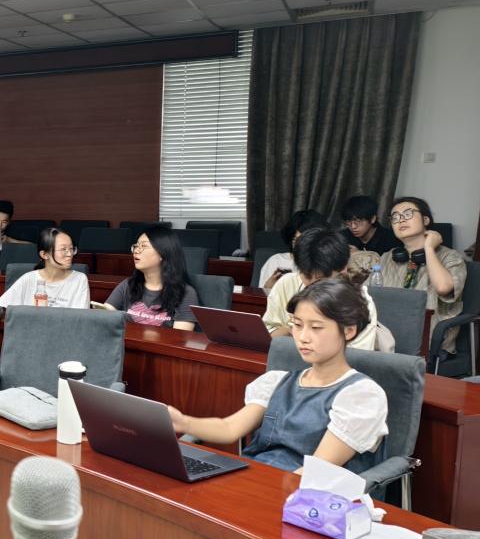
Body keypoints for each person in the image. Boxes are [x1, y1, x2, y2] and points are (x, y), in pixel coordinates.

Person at [168, 278, 389, 474]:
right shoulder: (278, 381)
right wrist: (183, 422)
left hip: (304, 495)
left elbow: (316, 470)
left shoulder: (361, 396)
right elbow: (229, 428)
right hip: (255, 477)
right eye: (297, 325)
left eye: (316, 327)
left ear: (349, 331)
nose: (303, 337)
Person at [374, 196, 469, 355]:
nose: (401, 220)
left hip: (428, 341)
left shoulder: (450, 257)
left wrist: (429, 248)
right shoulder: (387, 257)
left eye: (408, 214)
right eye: (395, 217)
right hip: (386, 339)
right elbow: (366, 294)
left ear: (425, 220)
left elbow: (443, 287)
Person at [262, 227, 382, 351]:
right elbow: (267, 332)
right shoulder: (286, 283)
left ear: (343, 269)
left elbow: (357, 356)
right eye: (306, 276)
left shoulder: (361, 302)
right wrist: (292, 329)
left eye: (320, 279)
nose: (313, 285)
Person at [104, 225, 198, 330]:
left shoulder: (185, 293)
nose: (136, 251)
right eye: (136, 246)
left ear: (163, 253)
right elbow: (104, 317)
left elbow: (180, 337)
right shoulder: (128, 284)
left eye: (143, 246)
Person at [0, 228, 90, 309]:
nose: (69, 254)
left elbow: (80, 318)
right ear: (44, 254)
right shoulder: (28, 279)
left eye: (71, 249)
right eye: (63, 249)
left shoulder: (79, 280)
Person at [259, 209, 328, 290]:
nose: (301, 245)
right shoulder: (276, 261)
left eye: (306, 240)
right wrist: (267, 288)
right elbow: (260, 295)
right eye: (296, 239)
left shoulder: (326, 265)